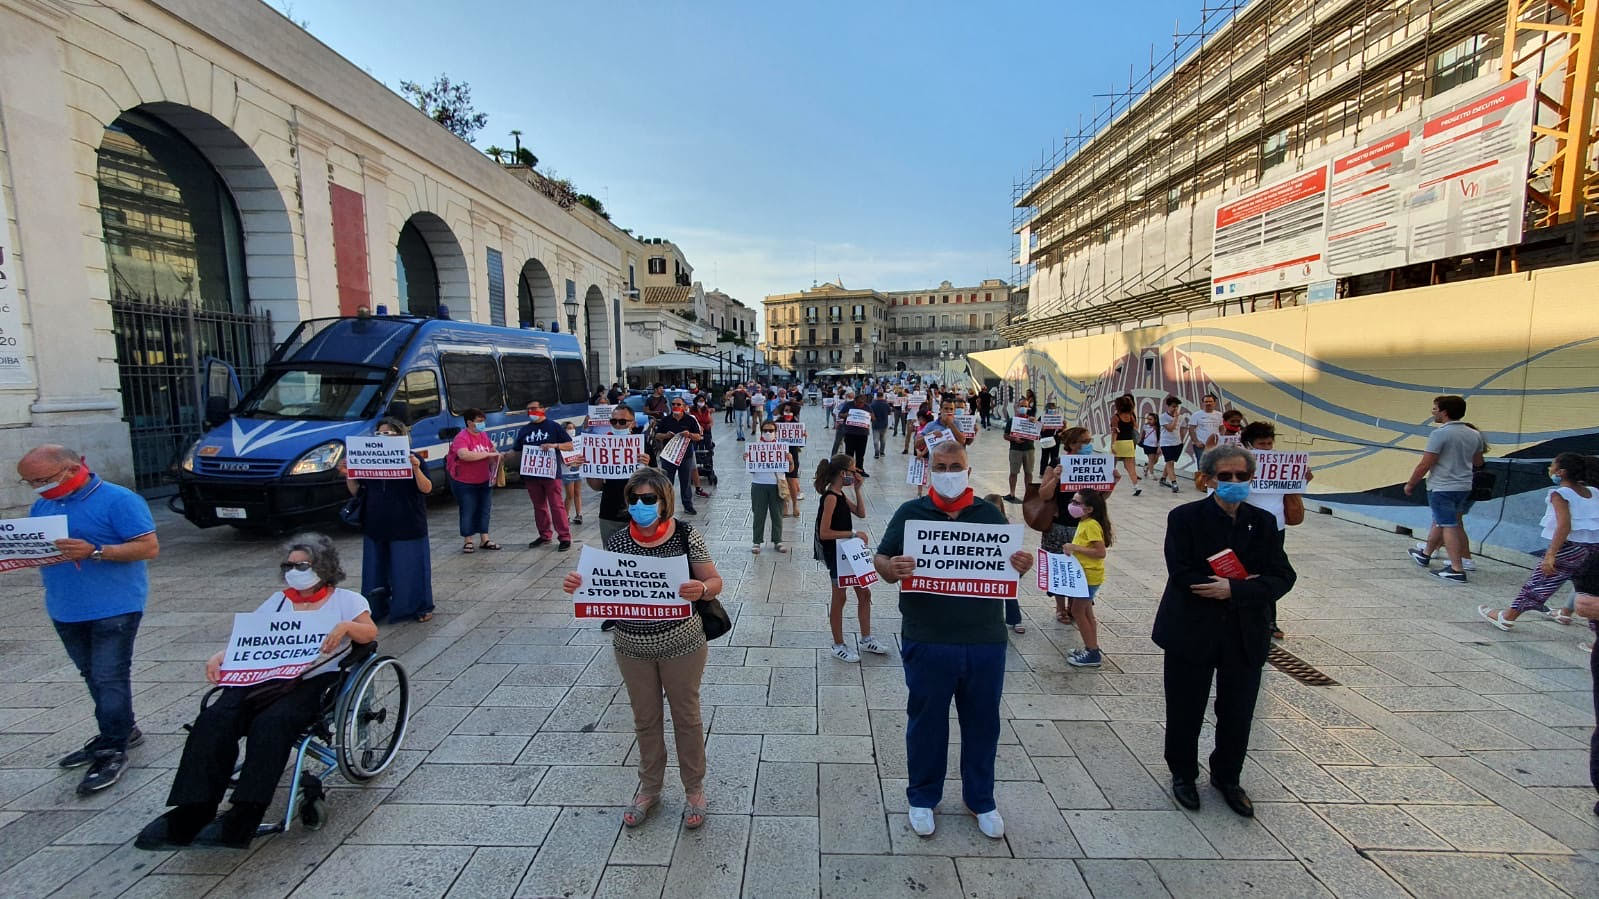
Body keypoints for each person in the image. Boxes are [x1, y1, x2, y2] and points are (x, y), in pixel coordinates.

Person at [135, 534, 375, 849]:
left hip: (312, 677)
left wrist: (345, 627)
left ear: (322, 566)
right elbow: (250, 640)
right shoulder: (277, 602)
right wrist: (222, 655)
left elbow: (370, 633)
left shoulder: (346, 600)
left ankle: (246, 811)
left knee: (272, 724)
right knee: (214, 719)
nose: (293, 570)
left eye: (301, 564)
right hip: (263, 676)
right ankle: (193, 809)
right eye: (288, 565)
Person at [874, 440, 1033, 839]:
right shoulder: (912, 513)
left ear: (967, 467)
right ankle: (923, 797)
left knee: (983, 723)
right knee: (926, 722)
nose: (948, 474)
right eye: (940, 467)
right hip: (927, 637)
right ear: (930, 470)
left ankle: (981, 799)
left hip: (985, 640)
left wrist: (1021, 565)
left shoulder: (989, 515)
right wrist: (891, 568)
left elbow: (1007, 571)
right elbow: (881, 558)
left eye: (954, 466)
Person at [561, 468, 722, 830]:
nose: (640, 505)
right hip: (631, 647)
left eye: (648, 499)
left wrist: (703, 589)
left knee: (686, 717)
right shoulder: (618, 541)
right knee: (645, 719)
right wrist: (578, 584)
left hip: (682, 643)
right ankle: (649, 788)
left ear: (664, 501)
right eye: (634, 500)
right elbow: (605, 583)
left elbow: (715, 580)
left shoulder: (685, 535)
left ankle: (694, 789)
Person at [1154, 446, 1296, 817]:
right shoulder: (1185, 517)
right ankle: (1183, 773)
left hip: (1244, 632)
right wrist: (1239, 583)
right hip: (1192, 629)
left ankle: (1228, 777)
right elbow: (1182, 571)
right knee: (1185, 708)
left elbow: (1282, 575)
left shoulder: (1263, 522)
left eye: (1241, 476)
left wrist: (1236, 589)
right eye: (1225, 476)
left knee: (1238, 711)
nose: (1234, 482)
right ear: (1208, 479)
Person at [17, 445, 159, 795]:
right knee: (92, 673)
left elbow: (148, 547)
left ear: (70, 469)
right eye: (30, 482)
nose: (37, 487)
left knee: (109, 675)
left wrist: (96, 551)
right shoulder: (45, 504)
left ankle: (113, 748)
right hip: (65, 606)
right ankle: (122, 729)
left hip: (115, 605)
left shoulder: (119, 499)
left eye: (42, 479)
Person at [1478, 453, 1599, 630]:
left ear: (1562, 472)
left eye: (1552, 466)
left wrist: (1551, 554)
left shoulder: (1559, 494)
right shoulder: (1594, 492)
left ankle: (1507, 617)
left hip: (1570, 548)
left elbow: (1563, 525)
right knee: (1589, 592)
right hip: (1594, 548)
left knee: (1538, 583)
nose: (1550, 469)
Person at [341, 418, 434, 622]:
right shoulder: (368, 459)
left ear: (399, 436)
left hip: (407, 522)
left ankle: (416, 607)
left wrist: (416, 469)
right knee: (376, 570)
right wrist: (349, 474)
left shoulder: (413, 458)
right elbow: (357, 491)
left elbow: (426, 488)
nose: (383, 438)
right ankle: (377, 607)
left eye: (388, 434)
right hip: (376, 522)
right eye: (379, 434)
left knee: (409, 568)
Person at [1404, 395, 1486, 583]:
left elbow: (1425, 463)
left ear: (1444, 412)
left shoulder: (1440, 434)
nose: (1433, 412)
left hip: (1442, 486)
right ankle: (1425, 554)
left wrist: (1411, 484)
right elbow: (1478, 461)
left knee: (1448, 525)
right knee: (1442, 521)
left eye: (1435, 409)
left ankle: (1456, 568)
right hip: (1464, 485)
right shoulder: (1474, 434)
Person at [1239, 420, 1309, 641]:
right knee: (1246, 569)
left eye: (1270, 443)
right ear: (1249, 444)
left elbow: (1294, 486)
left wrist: (1301, 479)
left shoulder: (1282, 461)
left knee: (1272, 572)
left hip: (1276, 525)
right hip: (1246, 525)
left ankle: (1269, 619)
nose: (1267, 448)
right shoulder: (1239, 462)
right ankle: (1245, 612)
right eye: (1262, 444)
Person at [815, 454, 882, 661]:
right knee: (840, 597)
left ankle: (866, 638)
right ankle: (838, 644)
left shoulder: (841, 495)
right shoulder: (831, 498)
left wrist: (858, 490)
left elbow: (861, 513)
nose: (856, 474)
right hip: (836, 553)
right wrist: (852, 534)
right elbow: (824, 533)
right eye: (854, 471)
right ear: (843, 473)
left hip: (849, 551)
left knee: (864, 593)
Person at [1057, 489, 1111, 668]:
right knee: (1087, 613)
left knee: (1078, 612)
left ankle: (1092, 651)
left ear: (1089, 509)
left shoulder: (1091, 525)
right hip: (1085, 574)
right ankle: (1091, 647)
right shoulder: (1085, 522)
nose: (1072, 505)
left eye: (1077, 503)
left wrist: (1075, 548)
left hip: (1088, 576)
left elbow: (1100, 552)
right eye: (1073, 501)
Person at [517, 400, 576, 551]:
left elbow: (569, 445)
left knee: (556, 505)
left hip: (551, 474)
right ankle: (544, 535)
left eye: (534, 408)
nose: (531, 412)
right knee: (539, 506)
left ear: (543, 409)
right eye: (528, 409)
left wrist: (555, 445)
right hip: (532, 475)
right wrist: (502, 456)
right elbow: (516, 450)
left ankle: (564, 537)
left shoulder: (553, 426)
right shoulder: (524, 430)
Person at [590, 405, 652, 543]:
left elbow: (657, 483)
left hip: (639, 512)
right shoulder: (601, 445)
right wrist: (590, 468)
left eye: (622, 422)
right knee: (611, 557)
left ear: (633, 423)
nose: (618, 425)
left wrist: (647, 466)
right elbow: (596, 486)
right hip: (610, 512)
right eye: (614, 421)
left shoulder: (642, 445)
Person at [447, 409, 502, 553]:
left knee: (485, 509)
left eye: (483, 421)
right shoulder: (462, 437)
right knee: (468, 509)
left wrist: (495, 457)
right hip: (464, 481)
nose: (482, 424)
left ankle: (485, 538)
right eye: (479, 421)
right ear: (469, 422)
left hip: (484, 479)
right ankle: (468, 540)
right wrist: (486, 454)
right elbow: (464, 454)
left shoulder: (483, 435)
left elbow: (492, 449)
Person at [650, 395, 704, 515]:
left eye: (678, 404)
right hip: (669, 456)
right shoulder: (666, 420)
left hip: (685, 455)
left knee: (685, 481)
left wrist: (689, 434)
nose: (675, 406)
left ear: (684, 407)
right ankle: (666, 507)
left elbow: (698, 436)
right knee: (667, 482)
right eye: (673, 404)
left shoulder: (690, 420)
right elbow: (656, 435)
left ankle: (688, 505)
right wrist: (666, 436)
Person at [983, 493, 1026, 634]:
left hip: (1003, 563)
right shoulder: (979, 523)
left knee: (1009, 593)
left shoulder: (1005, 522)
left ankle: (1015, 619)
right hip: (987, 563)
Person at [750, 422, 787, 554]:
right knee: (759, 514)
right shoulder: (755, 447)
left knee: (777, 514)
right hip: (759, 484)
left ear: (775, 431)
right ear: (761, 431)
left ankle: (778, 540)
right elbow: (751, 469)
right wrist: (747, 460)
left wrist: (791, 460)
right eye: (765, 430)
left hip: (776, 484)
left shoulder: (782, 447)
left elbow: (791, 469)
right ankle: (756, 541)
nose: (768, 433)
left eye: (771, 430)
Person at [1003, 398, 1037, 503]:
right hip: (1015, 450)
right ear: (1017, 407)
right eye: (1021, 406)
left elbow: (1040, 431)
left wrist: (1036, 422)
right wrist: (1014, 439)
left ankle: (1028, 493)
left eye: (1025, 406)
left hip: (1029, 449)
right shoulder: (1012, 420)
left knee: (1029, 472)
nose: (1023, 408)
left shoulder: (1032, 420)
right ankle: (1012, 493)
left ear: (1028, 408)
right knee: (1013, 472)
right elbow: (1005, 435)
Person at [1111, 395, 1142, 496]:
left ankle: (1109, 485)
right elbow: (1135, 428)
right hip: (1129, 443)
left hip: (1119, 443)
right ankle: (1136, 486)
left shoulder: (1116, 417)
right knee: (1131, 468)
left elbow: (1115, 432)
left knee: (1111, 466)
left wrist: (1113, 444)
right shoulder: (1131, 416)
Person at [1188, 392, 1224, 469]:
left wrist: (1221, 440)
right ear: (1203, 403)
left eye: (1210, 401)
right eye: (1206, 402)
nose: (1208, 403)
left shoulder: (1220, 415)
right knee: (1202, 466)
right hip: (1201, 445)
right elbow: (1191, 429)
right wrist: (1196, 441)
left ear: (1214, 403)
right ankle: (1201, 481)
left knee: (1214, 466)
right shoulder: (1196, 415)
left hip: (1215, 446)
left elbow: (1222, 428)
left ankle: (1211, 481)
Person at [1158, 395, 1185, 493]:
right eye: (1173, 406)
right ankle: (1174, 483)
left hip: (1177, 443)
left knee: (1170, 462)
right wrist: (1175, 418)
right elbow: (1170, 428)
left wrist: (1182, 441)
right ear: (1168, 406)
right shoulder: (1162, 417)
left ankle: (1163, 479)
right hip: (1166, 443)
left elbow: (1181, 430)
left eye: (1176, 406)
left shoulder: (1181, 417)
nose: (1175, 408)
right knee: (1170, 463)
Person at [690, 394, 714, 499]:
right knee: (694, 450)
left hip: (706, 432)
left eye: (703, 400)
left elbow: (709, 420)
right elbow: (692, 421)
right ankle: (696, 466)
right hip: (696, 432)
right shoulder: (692, 410)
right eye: (700, 400)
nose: (701, 402)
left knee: (708, 449)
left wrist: (708, 425)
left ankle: (708, 464)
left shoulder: (706, 409)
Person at [840, 394, 872, 472]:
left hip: (862, 434)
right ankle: (848, 470)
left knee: (860, 454)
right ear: (855, 401)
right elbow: (840, 414)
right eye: (859, 403)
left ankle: (860, 470)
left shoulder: (867, 407)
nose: (860, 404)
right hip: (850, 433)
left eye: (862, 403)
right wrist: (845, 415)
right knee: (849, 453)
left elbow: (874, 418)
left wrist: (869, 416)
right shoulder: (848, 405)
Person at [1037, 401, 1062, 474]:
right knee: (1044, 457)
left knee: (1054, 458)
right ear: (1047, 409)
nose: (1052, 410)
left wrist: (1061, 431)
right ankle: (1042, 472)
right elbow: (1037, 428)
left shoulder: (1058, 418)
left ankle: (1053, 472)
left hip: (1055, 440)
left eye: (1053, 409)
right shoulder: (1042, 418)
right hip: (1045, 440)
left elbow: (1062, 429)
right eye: (1050, 409)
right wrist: (1041, 429)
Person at [1139, 411, 1162, 485]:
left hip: (1156, 445)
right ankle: (1151, 474)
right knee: (1151, 459)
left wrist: (1159, 447)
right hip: (1148, 445)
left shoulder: (1159, 428)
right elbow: (1143, 434)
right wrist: (1140, 441)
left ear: (1155, 420)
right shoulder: (1145, 426)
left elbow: (1160, 437)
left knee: (1155, 460)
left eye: (1150, 419)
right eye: (1148, 419)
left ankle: (1146, 467)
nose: (1148, 421)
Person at [869, 392, 893, 459]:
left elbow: (870, 413)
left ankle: (876, 453)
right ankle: (882, 452)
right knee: (883, 439)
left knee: (875, 440)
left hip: (875, 424)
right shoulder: (886, 404)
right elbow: (890, 412)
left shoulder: (872, 404)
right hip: (884, 424)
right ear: (882, 396)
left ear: (876, 396)